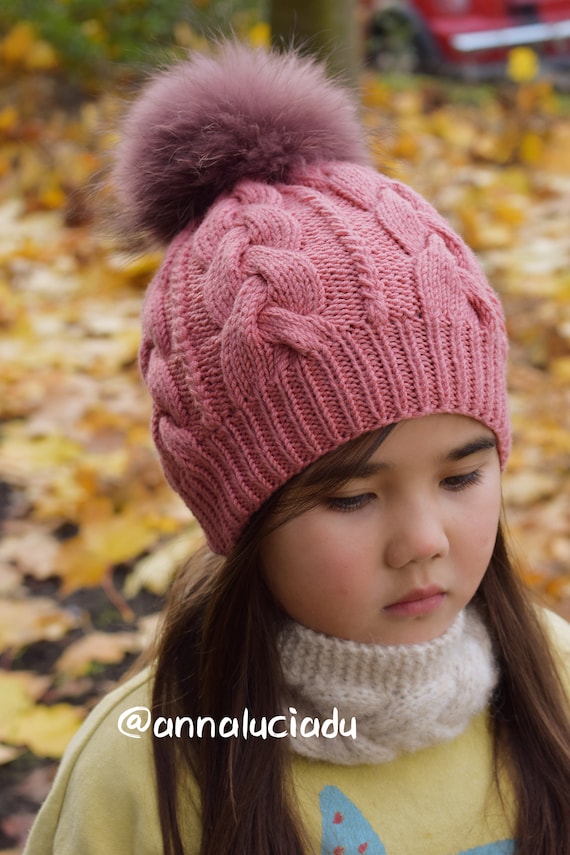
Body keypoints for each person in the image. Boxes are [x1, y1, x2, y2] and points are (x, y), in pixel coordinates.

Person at [24, 41, 570, 855]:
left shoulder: (555, 685)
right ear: (241, 513)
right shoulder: (145, 770)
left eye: (462, 473)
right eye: (352, 496)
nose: (424, 539)